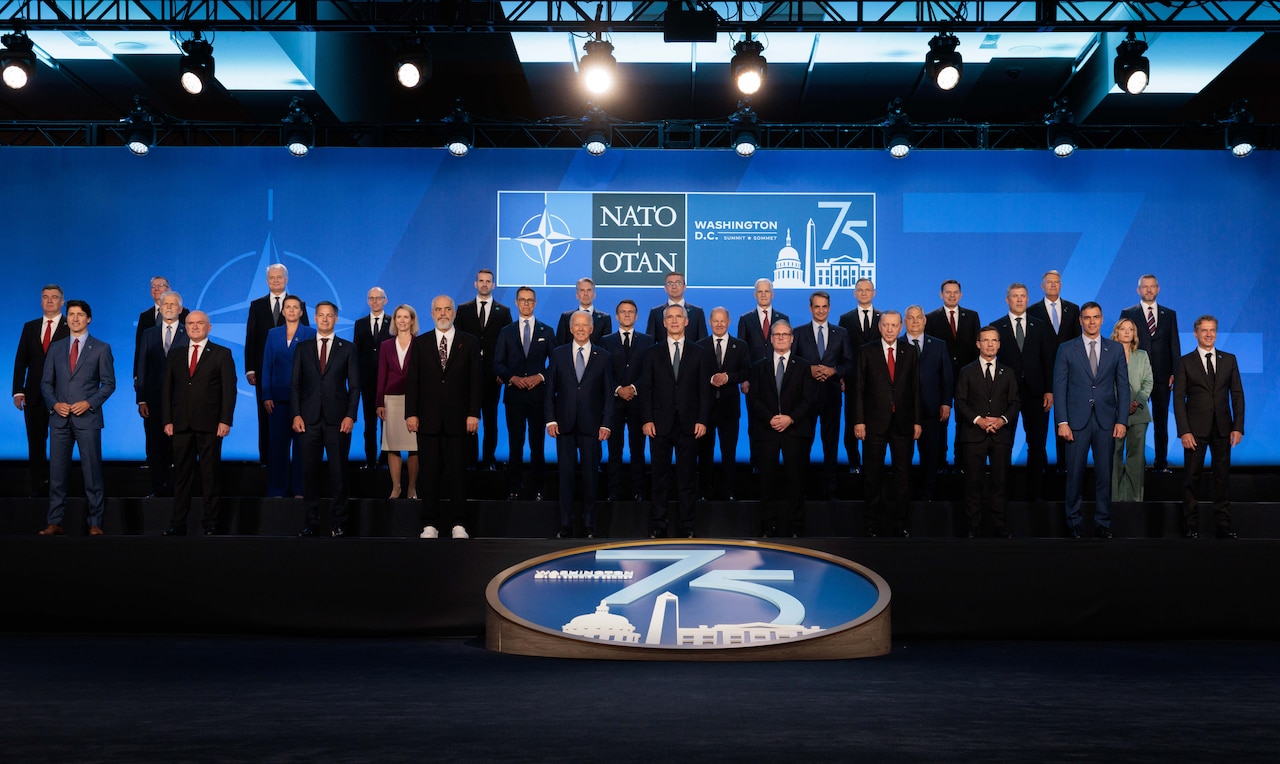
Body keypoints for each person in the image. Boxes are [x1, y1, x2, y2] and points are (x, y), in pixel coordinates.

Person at [405, 296, 481, 540]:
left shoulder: (469, 342)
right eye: (438, 309)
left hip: (460, 420)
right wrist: (411, 413)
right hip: (427, 420)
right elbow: (413, 381)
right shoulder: (421, 343)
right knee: (429, 474)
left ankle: (459, 523)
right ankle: (430, 523)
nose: (443, 313)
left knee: (458, 473)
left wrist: (473, 413)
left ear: (455, 312)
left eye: (447, 309)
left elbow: (475, 383)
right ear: (431, 313)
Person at [1052, 302, 1129, 539]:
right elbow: (1060, 386)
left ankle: (1103, 523)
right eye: (1087, 317)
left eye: (1095, 317)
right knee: (1074, 475)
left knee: (1105, 476)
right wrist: (1062, 421)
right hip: (1076, 422)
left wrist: (1122, 420)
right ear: (1080, 321)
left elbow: (1123, 387)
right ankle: (1074, 523)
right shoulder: (1066, 349)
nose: (1092, 321)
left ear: (1102, 319)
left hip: (1107, 421)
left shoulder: (1115, 349)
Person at [39, 300, 116, 536]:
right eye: (71, 314)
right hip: (60, 419)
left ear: (88, 319)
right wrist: (55, 404)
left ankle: (95, 523)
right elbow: (45, 383)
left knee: (92, 473)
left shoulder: (101, 348)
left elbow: (109, 384)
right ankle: (55, 522)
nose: (74, 318)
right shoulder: (56, 347)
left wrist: (89, 403)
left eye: (80, 315)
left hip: (88, 419)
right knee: (57, 474)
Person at [161, 311, 236, 536]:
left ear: (209, 327)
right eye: (191, 323)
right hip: (181, 425)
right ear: (185, 327)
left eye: (199, 323)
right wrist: (167, 420)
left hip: (211, 425)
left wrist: (225, 420)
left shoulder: (222, 354)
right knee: (181, 477)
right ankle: (177, 523)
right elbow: (167, 390)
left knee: (210, 476)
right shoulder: (175, 355)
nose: (195, 327)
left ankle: (211, 523)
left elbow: (229, 390)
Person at [641, 304, 711, 538]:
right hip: (659, 423)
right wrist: (647, 419)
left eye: (678, 317)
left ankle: (687, 525)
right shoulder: (652, 352)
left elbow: (704, 389)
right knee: (659, 478)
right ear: (663, 323)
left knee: (687, 478)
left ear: (686, 321)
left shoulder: (699, 352)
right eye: (669, 317)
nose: (674, 321)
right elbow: (647, 388)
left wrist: (702, 419)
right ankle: (659, 524)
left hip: (689, 424)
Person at [291, 301, 359, 538]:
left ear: (336, 319)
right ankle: (311, 521)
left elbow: (355, 387)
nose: (325, 319)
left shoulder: (347, 348)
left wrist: (350, 415)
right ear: (315, 318)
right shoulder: (303, 348)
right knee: (309, 472)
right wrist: (296, 414)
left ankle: (339, 522)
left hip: (337, 420)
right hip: (308, 420)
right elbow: (296, 385)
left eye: (329, 316)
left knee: (339, 474)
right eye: (321, 315)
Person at [1173, 316, 1245, 539]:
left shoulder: (1229, 360)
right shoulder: (1185, 362)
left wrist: (1238, 427)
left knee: (1222, 478)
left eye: (1212, 330)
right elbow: (1178, 399)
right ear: (1196, 333)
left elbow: (1237, 395)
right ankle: (1190, 525)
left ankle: (1223, 525)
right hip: (1195, 431)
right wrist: (1184, 430)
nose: (1208, 334)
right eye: (1204, 331)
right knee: (1191, 478)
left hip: (1223, 428)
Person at [545, 312, 615, 538]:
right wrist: (551, 418)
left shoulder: (603, 356)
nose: (581, 329)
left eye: (586, 325)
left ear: (592, 329)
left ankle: (589, 526)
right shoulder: (558, 354)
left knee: (590, 478)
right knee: (565, 477)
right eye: (577, 325)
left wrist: (606, 424)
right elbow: (550, 391)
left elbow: (608, 395)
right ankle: (565, 524)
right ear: (571, 328)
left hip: (592, 426)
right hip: (564, 424)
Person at [748, 320, 819, 537]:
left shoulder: (804, 366)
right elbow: (754, 398)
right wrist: (771, 418)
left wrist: (790, 418)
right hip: (767, 431)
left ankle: (796, 527)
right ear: (771, 339)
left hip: (795, 431)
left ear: (791, 338)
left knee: (796, 481)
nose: (780, 338)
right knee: (767, 481)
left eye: (784, 335)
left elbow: (809, 400)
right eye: (776, 335)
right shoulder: (758, 366)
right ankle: (768, 526)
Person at [854, 310, 921, 537]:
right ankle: (872, 524)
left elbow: (915, 390)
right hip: (874, 423)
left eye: (894, 325)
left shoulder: (910, 352)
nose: (890, 329)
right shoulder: (867, 351)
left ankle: (902, 524)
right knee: (873, 475)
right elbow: (859, 390)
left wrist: (917, 421)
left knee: (903, 476)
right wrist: (859, 421)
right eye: (886, 325)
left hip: (903, 423)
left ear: (901, 327)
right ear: (880, 327)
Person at [954, 327, 1020, 537]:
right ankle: (973, 527)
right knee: (973, 482)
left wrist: (1002, 420)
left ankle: (999, 526)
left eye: (994, 341)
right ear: (978, 344)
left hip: (1001, 436)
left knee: (1000, 482)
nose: (990, 344)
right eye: (986, 340)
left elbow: (1015, 402)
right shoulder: (967, 371)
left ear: (999, 344)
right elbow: (961, 402)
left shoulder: (1008, 372)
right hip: (974, 435)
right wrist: (978, 420)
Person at [992, 283, 1056, 498]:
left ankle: (1035, 493)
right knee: (1003, 446)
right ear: (1007, 300)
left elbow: (1048, 361)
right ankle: (1004, 493)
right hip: (1005, 394)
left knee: (1037, 445)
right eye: (1014, 296)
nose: (1019, 300)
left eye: (1023, 296)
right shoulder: (996, 327)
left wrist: (1049, 390)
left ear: (1028, 299)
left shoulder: (1041, 326)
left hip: (1037, 393)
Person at [493, 287, 556, 501]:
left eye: (530, 300)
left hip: (539, 396)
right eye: (522, 300)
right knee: (515, 443)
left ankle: (539, 489)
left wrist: (540, 376)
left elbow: (556, 364)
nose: (526, 304)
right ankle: (514, 489)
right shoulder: (506, 331)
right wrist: (512, 378)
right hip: (515, 397)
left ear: (535, 303)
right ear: (516, 303)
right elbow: (497, 363)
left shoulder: (546, 331)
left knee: (537, 445)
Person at [792, 291, 854, 497]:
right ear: (810, 308)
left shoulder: (841, 333)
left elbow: (849, 363)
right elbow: (792, 363)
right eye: (816, 307)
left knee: (831, 443)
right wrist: (808, 369)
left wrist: (834, 371)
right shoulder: (798, 333)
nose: (820, 310)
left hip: (831, 396)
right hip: (805, 398)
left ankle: (831, 487)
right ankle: (802, 487)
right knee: (803, 443)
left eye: (824, 306)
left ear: (829, 308)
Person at [245, 264, 308, 464]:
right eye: (271, 278)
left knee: (297, 416)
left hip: (294, 371)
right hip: (265, 371)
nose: (275, 280)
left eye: (279, 277)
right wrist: (250, 368)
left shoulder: (298, 305)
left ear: (286, 279)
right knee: (265, 416)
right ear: (267, 281)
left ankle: (294, 463)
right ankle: (266, 459)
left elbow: (305, 339)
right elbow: (252, 338)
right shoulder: (257, 305)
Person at [1120, 274, 1180, 473]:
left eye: (1152, 286)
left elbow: (1174, 345)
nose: (1148, 290)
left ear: (1158, 289)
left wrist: (1175, 371)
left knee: (1161, 422)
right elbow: (1122, 345)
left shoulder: (1169, 314)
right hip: (1136, 377)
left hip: (1163, 377)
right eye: (1144, 287)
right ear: (1138, 290)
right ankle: (1137, 464)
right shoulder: (1128, 313)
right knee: (1136, 422)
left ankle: (1161, 464)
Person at [13, 284, 69, 496]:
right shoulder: (30, 327)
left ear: (62, 301)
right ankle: (38, 485)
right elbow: (21, 360)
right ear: (41, 300)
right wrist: (18, 390)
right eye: (45, 297)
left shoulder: (70, 326)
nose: (49, 301)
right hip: (34, 396)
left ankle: (58, 486)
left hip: (61, 396)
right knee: (35, 442)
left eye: (54, 297)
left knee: (60, 444)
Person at [454, 269, 512, 470]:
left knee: (490, 419)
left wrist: (502, 372)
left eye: (488, 281)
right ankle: (470, 460)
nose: (485, 284)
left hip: (492, 376)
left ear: (493, 285)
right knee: (469, 418)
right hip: (468, 376)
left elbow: (508, 345)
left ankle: (488, 460)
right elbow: (457, 342)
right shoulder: (463, 310)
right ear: (475, 284)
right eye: (481, 281)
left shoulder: (503, 312)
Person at [134, 290, 188, 497]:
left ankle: (181, 492)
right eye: (165, 303)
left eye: (173, 304)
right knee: (156, 447)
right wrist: (141, 398)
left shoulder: (188, 332)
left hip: (182, 402)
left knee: (180, 449)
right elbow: (142, 367)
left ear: (180, 309)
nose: (168, 307)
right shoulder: (149, 334)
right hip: (154, 401)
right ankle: (158, 490)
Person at [260, 296, 315, 498]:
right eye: (288, 307)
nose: (291, 310)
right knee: (278, 447)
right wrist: (266, 393)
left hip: (303, 400)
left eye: (295, 307)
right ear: (282, 311)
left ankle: (300, 489)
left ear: (301, 312)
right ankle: (277, 490)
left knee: (302, 448)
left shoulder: (310, 333)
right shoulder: (273, 334)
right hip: (278, 398)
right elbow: (267, 365)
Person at [1027, 269, 1080, 472]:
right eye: (1049, 282)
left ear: (1061, 285)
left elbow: (1077, 343)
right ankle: (1040, 468)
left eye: (1057, 282)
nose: (1053, 285)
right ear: (1042, 286)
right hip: (1040, 375)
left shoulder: (1073, 309)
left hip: (1070, 373)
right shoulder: (1033, 311)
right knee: (1039, 427)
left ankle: (1063, 465)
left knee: (1065, 420)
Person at [600, 299, 653, 501]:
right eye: (623, 312)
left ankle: (638, 491)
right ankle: (614, 491)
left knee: (637, 450)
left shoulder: (647, 340)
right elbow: (604, 371)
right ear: (617, 316)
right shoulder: (606, 340)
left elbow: (648, 370)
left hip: (638, 403)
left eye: (631, 312)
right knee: (614, 451)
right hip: (614, 404)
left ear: (636, 316)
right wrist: (617, 389)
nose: (627, 315)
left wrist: (633, 388)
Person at [695, 307, 751, 501]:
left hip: (729, 408)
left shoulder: (740, 346)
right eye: (715, 321)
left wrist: (728, 377)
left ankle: (728, 490)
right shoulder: (700, 346)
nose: (719, 324)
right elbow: (695, 374)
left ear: (729, 322)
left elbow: (746, 371)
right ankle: (705, 491)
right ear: (710, 322)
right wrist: (711, 378)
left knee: (729, 451)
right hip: (705, 410)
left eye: (722, 321)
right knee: (705, 452)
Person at [926, 279, 980, 472]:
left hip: (967, 379)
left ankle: (961, 462)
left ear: (961, 294)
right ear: (941, 295)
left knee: (965, 421)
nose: (951, 295)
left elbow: (977, 348)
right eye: (947, 292)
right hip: (940, 379)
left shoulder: (972, 317)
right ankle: (940, 462)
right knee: (941, 421)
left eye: (955, 292)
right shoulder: (930, 318)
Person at [902, 305, 953, 501]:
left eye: (918, 318)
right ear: (905, 322)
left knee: (931, 456)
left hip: (932, 409)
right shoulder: (896, 344)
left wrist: (946, 402)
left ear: (925, 320)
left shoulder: (939, 345)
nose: (915, 321)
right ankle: (906, 496)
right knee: (903, 457)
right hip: (904, 412)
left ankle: (927, 496)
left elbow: (946, 377)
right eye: (910, 318)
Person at [837, 277, 881, 475]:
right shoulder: (845, 319)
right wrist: (842, 377)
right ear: (854, 293)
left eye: (867, 289)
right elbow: (840, 350)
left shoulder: (883, 318)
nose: (864, 293)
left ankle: (872, 464)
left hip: (878, 382)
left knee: (875, 423)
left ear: (874, 293)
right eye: (860, 290)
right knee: (852, 421)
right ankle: (854, 462)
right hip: (853, 380)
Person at [377, 304, 420, 499]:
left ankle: (411, 487)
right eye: (398, 317)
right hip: (391, 400)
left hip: (414, 399)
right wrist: (379, 402)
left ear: (412, 320)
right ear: (394, 321)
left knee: (414, 446)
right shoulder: (386, 345)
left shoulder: (420, 344)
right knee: (392, 445)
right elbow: (382, 375)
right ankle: (396, 487)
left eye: (406, 317)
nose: (402, 321)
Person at [1111, 318, 1154, 502]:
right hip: (1113, 413)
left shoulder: (1142, 355)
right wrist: (1120, 404)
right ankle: (1115, 498)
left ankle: (1135, 499)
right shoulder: (1108, 354)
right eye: (1123, 328)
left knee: (1136, 458)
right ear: (1117, 332)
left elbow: (1148, 382)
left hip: (1138, 414)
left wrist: (1136, 402)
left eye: (1131, 329)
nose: (1127, 332)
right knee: (1114, 456)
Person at [353, 286, 393, 470]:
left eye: (378, 298)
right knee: (369, 425)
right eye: (371, 298)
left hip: (389, 382)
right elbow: (356, 353)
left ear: (385, 300)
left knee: (388, 426)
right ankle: (370, 461)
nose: (375, 301)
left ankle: (386, 461)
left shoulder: (394, 322)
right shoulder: (360, 324)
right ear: (368, 301)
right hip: (367, 381)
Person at [737, 278, 789, 364]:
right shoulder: (745, 319)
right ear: (755, 295)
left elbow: (787, 347)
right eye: (760, 292)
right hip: (753, 371)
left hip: (777, 370)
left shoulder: (782, 319)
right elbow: (741, 350)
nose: (763, 295)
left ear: (772, 294)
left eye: (767, 291)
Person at [645, 271, 707, 342]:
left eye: (678, 283)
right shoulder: (656, 313)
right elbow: (650, 342)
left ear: (684, 287)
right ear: (665, 288)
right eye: (670, 283)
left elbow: (703, 342)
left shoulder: (697, 312)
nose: (674, 286)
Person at [135, 275, 189, 354]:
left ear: (169, 289)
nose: (156, 289)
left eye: (161, 285)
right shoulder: (145, 316)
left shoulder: (183, 312)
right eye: (153, 286)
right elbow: (140, 347)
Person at [555, 277, 613, 345]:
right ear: (577, 295)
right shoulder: (566, 317)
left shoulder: (605, 319)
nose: (586, 294)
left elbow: (606, 346)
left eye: (589, 290)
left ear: (594, 295)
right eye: (582, 290)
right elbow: (560, 345)